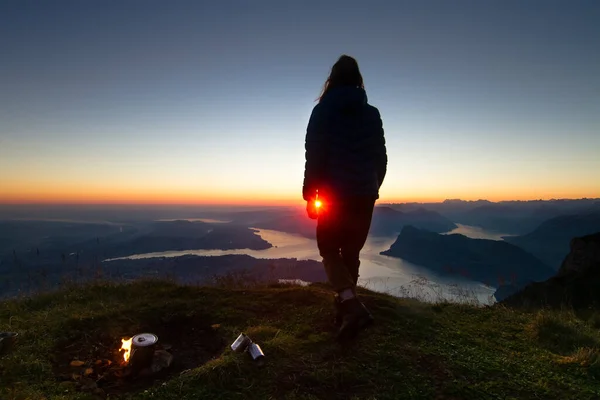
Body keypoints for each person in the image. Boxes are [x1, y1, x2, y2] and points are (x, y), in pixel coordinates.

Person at [303, 55, 387, 340]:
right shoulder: (371, 113)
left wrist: (309, 191)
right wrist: (372, 186)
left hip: (333, 194)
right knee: (351, 251)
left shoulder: (322, 111)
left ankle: (350, 304)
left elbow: (314, 154)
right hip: (364, 193)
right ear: (358, 81)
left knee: (328, 248)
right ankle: (347, 307)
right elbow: (381, 158)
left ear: (332, 79)